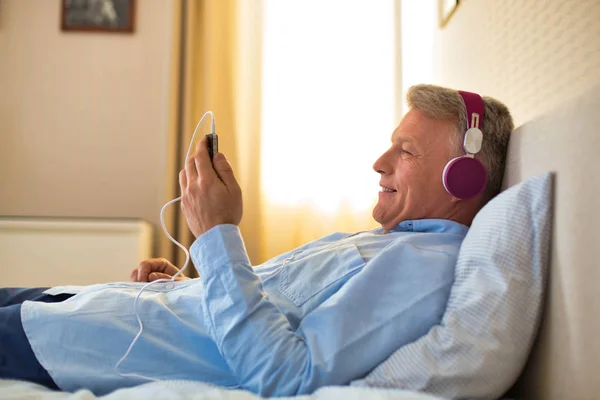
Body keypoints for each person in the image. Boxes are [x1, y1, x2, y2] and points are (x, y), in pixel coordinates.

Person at [0, 84, 514, 396]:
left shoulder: (425, 267)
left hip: (65, 343)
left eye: (405, 151)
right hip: (76, 306)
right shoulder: (392, 243)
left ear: (463, 179)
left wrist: (220, 235)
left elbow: (287, 375)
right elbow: (270, 311)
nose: (379, 164)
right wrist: (187, 286)